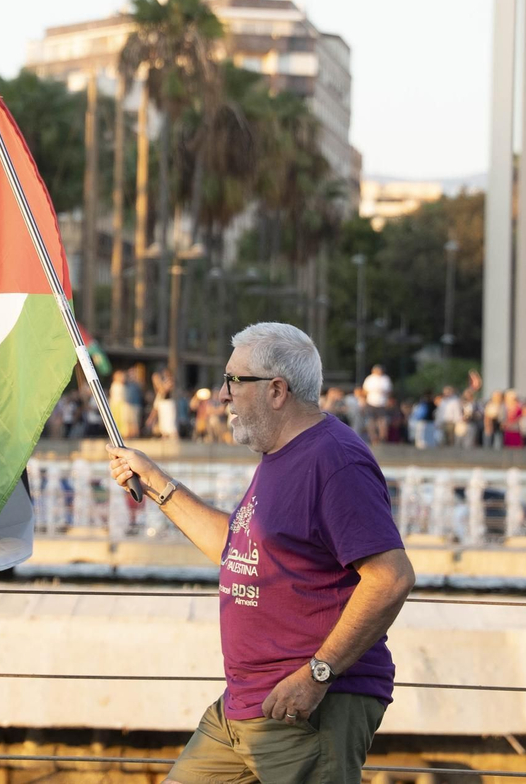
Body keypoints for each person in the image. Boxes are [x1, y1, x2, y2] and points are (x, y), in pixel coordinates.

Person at [107, 323, 414, 784]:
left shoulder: (334, 460)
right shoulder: (281, 456)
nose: (223, 395)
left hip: (305, 711)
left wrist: (316, 675)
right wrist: (155, 483)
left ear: (276, 390)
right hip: (243, 709)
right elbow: (236, 550)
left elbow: (390, 577)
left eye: (234, 380)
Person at [362, 364, 392, 444]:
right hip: (371, 402)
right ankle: (373, 437)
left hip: (382, 403)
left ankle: (382, 437)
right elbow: (365, 391)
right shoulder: (370, 379)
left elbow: (389, 391)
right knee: (371, 420)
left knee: (382, 421)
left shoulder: (385, 379)